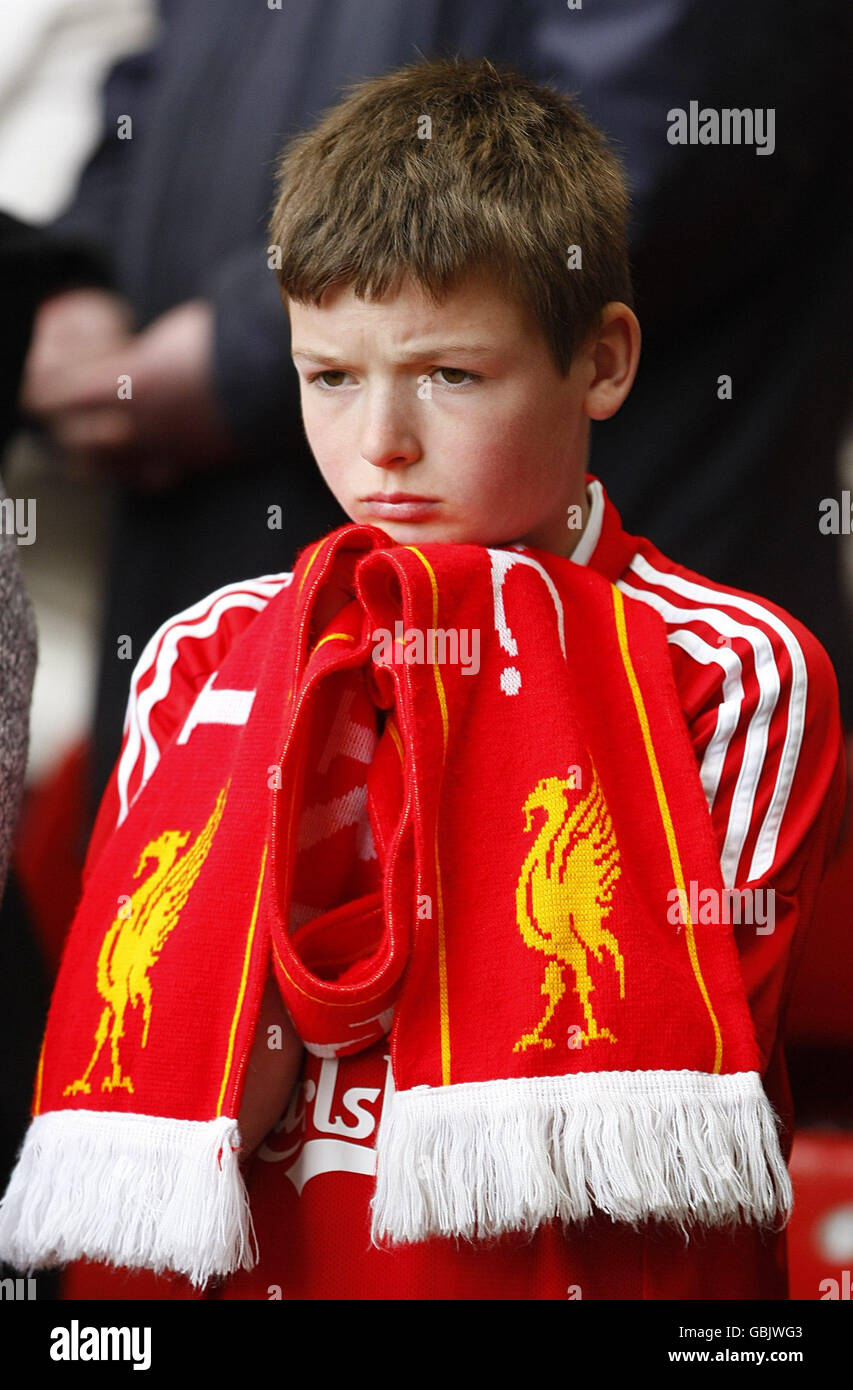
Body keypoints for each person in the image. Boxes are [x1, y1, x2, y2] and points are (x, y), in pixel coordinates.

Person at [2, 56, 845, 1301]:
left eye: (450, 375)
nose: (380, 444)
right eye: (329, 377)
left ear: (602, 362)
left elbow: (669, 1098)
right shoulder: (202, 657)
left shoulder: (730, 668)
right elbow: (201, 1089)